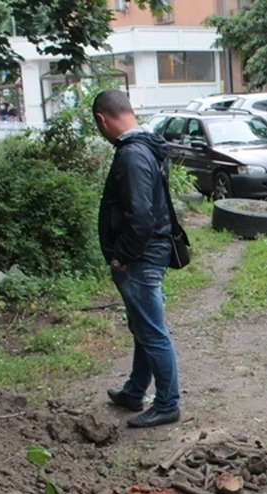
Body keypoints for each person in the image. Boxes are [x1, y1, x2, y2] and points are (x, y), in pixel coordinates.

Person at [93, 89, 181, 429]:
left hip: (141, 258)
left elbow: (142, 217)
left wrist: (122, 257)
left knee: (152, 331)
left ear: (103, 119)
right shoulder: (150, 144)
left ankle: (167, 403)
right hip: (150, 252)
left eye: (99, 127)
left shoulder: (132, 155)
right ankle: (134, 392)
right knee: (143, 327)